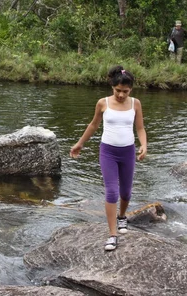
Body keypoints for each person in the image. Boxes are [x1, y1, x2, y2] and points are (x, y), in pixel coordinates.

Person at [70, 66, 147, 251]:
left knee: (126, 193)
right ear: (112, 87)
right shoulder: (102, 103)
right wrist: (80, 143)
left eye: (125, 91)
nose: (121, 95)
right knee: (112, 191)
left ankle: (122, 217)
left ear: (131, 90)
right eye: (117, 91)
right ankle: (112, 235)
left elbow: (140, 128)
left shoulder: (135, 103)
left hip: (128, 152)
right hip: (108, 152)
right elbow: (93, 125)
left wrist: (144, 145)